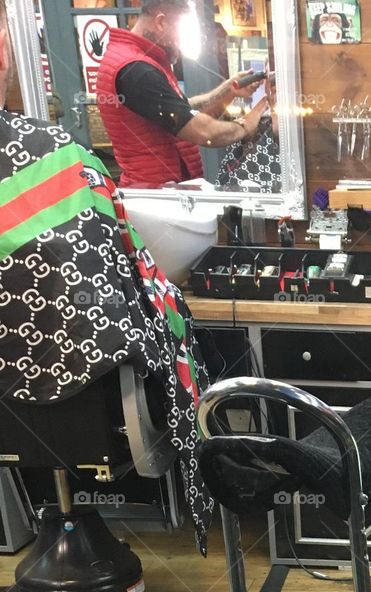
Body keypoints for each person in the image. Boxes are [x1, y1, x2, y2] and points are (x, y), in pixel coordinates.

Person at [0, 0, 214, 549]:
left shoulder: (123, 63)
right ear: (4, 52)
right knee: (171, 326)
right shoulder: (57, 156)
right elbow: (133, 283)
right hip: (77, 396)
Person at [97, 0, 267, 189]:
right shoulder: (137, 71)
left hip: (163, 190)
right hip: (156, 195)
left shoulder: (140, 60)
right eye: (181, 33)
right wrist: (244, 126)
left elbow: (184, 111)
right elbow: (204, 132)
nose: (180, 46)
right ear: (161, 22)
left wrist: (229, 91)